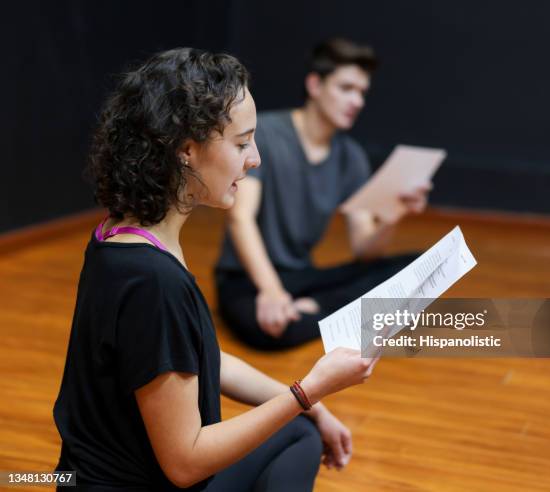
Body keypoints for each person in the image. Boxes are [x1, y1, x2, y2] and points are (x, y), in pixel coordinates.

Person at [53, 47, 378, 492]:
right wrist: (309, 391)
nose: (255, 158)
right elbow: (185, 463)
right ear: (187, 149)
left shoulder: (119, 234)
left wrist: (313, 406)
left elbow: (197, 356)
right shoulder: (154, 281)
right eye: (242, 142)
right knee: (296, 428)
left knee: (301, 428)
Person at [215, 38, 431, 350]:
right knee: (270, 331)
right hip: (247, 279)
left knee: (419, 267)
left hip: (302, 277)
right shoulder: (265, 134)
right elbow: (240, 218)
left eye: (362, 93)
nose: (357, 101)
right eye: (346, 88)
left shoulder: (351, 157)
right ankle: (322, 311)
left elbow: (364, 250)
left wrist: (392, 217)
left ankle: (312, 308)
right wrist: (272, 291)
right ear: (315, 85)